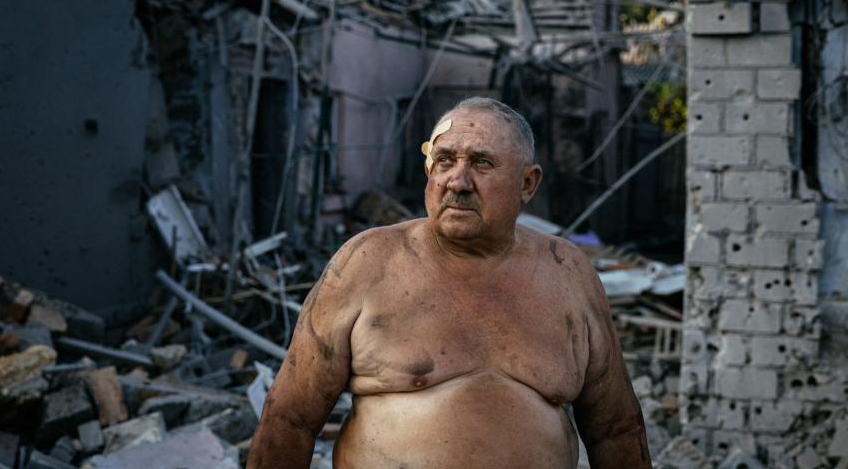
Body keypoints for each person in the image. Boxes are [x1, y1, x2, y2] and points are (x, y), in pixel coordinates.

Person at [248, 97, 650, 469]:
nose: (458, 181)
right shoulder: (368, 262)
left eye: (482, 163)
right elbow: (289, 419)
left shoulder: (567, 273)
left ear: (527, 184)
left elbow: (617, 429)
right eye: (444, 161)